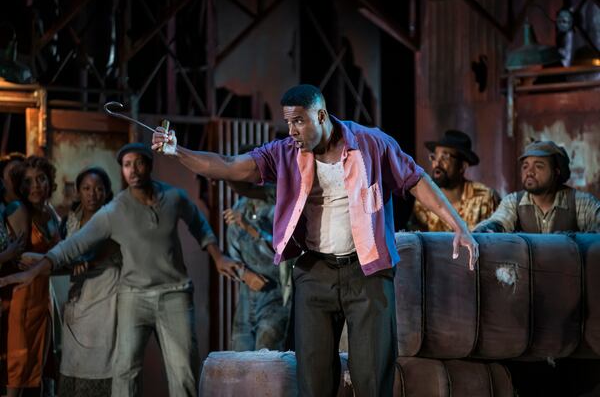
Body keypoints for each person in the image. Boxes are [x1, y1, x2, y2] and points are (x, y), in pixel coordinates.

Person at [150, 84, 479, 396]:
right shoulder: (284, 153)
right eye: (288, 122)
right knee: (314, 380)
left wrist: (459, 226)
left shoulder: (370, 144)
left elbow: (416, 179)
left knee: (372, 377)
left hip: (368, 273)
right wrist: (177, 150)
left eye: (298, 121)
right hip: (314, 273)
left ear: (321, 116)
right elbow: (229, 166)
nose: (291, 130)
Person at [0, 143, 241, 397]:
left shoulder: (174, 197)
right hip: (133, 295)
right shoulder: (115, 210)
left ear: (149, 165)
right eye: (127, 165)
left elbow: (198, 224)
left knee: (184, 373)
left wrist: (218, 256)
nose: (133, 170)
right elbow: (71, 246)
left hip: (174, 293)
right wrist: (35, 269)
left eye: (138, 163)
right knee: (125, 373)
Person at [55, 167, 120, 397]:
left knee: (103, 360)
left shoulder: (114, 219)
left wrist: (89, 262)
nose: (93, 194)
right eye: (87, 188)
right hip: (77, 298)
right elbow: (60, 257)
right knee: (74, 362)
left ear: (107, 192)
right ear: (78, 192)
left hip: (105, 296)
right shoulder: (69, 221)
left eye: (99, 189)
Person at [1, 156, 61, 397]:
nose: (36, 186)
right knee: (18, 368)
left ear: (49, 181)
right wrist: (54, 259)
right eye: (28, 181)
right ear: (20, 186)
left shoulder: (50, 212)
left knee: (39, 371)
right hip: (21, 299)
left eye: (41, 179)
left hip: (43, 298)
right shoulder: (19, 209)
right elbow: (19, 256)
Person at [224, 162, 291, 351]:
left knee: (266, 357)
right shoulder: (240, 206)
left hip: (276, 293)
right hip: (247, 295)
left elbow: (284, 251)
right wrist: (243, 273)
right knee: (241, 357)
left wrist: (251, 228)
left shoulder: (280, 202)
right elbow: (232, 253)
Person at [474, 140, 600, 233]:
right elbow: (498, 223)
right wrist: (486, 230)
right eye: (525, 166)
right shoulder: (513, 202)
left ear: (556, 172)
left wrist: (573, 239)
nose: (529, 172)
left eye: (539, 166)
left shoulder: (581, 202)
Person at [410, 130, 499, 231]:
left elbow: (498, 239)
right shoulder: (425, 198)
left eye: (445, 157)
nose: (437, 163)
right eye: (434, 157)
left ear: (462, 166)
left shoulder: (485, 198)